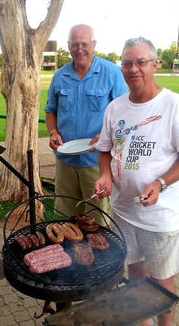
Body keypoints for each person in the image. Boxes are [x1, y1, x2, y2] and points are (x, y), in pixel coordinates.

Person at [94, 37, 179, 326]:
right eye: (127, 63)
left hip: (159, 217)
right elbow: (105, 149)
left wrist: (162, 183)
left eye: (141, 62)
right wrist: (105, 174)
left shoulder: (175, 105)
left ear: (155, 65)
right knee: (135, 273)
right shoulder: (115, 108)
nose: (133, 69)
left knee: (161, 280)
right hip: (123, 210)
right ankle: (143, 323)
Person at [45, 24, 128, 224]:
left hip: (97, 161)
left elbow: (126, 112)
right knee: (68, 217)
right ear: (68, 46)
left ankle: (100, 254)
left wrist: (109, 136)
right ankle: (72, 253)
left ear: (94, 45)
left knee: (98, 219)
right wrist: (53, 133)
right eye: (75, 45)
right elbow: (51, 110)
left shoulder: (111, 73)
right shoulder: (60, 76)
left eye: (84, 44)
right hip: (66, 162)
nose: (79, 49)